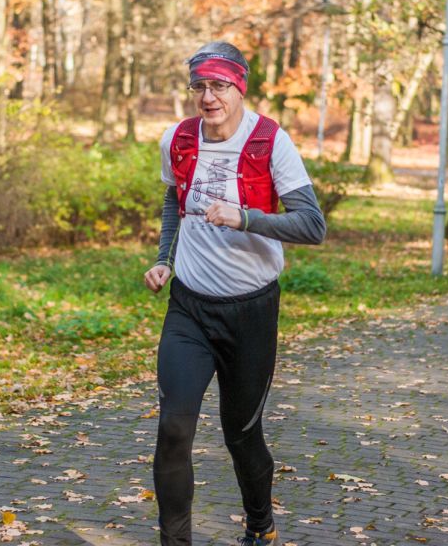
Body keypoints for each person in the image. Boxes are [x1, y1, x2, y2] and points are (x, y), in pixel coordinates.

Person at [143, 41, 326, 546]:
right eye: (198, 86)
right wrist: (164, 258)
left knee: (241, 435)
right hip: (189, 306)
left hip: (250, 311)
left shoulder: (270, 141)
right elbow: (173, 200)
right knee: (174, 430)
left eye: (219, 85)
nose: (208, 97)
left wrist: (245, 217)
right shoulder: (177, 139)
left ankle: (260, 525)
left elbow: (313, 225)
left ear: (239, 87)